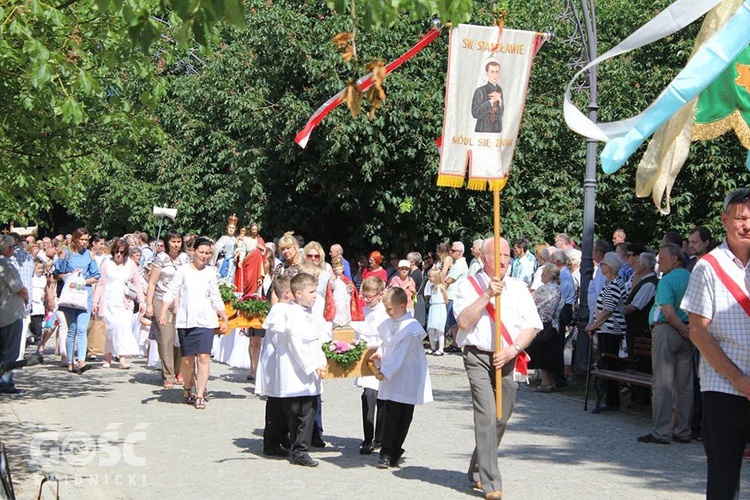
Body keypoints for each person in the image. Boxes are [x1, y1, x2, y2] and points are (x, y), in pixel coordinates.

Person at [453, 237, 542, 499]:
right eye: (497, 256)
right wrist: (487, 295)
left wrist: (513, 349)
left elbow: (532, 326)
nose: (504, 261)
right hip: (477, 356)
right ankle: (492, 482)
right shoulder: (468, 286)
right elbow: (464, 321)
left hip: (508, 356)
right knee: (487, 414)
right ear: (483, 258)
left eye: (507, 255)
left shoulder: (518, 287)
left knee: (502, 416)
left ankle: (478, 467)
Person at [681, 187, 750, 499]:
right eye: (740, 218)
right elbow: (698, 332)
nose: (746, 225)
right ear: (725, 220)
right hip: (724, 387)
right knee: (723, 479)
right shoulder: (708, 266)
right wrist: (741, 380)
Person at [159, 237, 228, 410]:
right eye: (201, 252)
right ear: (193, 252)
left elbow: (215, 295)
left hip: (206, 320)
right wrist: (162, 311)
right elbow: (172, 290)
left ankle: (200, 393)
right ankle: (187, 387)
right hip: (186, 319)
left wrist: (223, 316)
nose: (204, 256)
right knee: (188, 360)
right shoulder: (183, 271)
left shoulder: (211, 272)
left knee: (204, 357)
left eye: (208, 253)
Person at [370, 287, 433, 469]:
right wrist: (380, 354)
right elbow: (387, 344)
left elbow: (401, 353)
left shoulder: (411, 327)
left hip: (407, 376)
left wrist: (385, 371)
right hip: (392, 376)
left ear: (402, 306)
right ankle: (386, 450)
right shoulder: (389, 322)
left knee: (405, 415)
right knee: (390, 412)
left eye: (390, 309)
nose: (387, 312)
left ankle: (396, 449)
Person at [638, 243, 692, 445]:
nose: (658, 262)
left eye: (662, 258)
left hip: (667, 330)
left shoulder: (667, 280)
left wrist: (680, 328)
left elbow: (668, 312)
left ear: (675, 259)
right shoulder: (690, 277)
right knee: (684, 385)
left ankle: (660, 432)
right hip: (688, 333)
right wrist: (688, 331)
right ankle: (682, 430)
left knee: (662, 383)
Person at [281, 273, 327, 467]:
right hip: (297, 371)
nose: (315, 295)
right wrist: (311, 365)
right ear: (298, 294)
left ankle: (301, 449)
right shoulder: (292, 314)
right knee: (294, 410)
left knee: (308, 410)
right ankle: (294, 444)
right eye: (311, 292)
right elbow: (296, 344)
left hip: (311, 372)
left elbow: (316, 340)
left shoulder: (311, 313)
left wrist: (322, 361)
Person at [146, 229, 190, 389]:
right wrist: (149, 304)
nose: (176, 244)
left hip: (181, 300)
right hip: (161, 299)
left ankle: (178, 370)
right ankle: (168, 374)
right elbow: (152, 283)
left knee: (180, 336)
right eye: (173, 241)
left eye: (178, 241)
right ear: (166, 242)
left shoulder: (185, 259)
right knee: (166, 336)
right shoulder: (161, 259)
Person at [255, 276, 293, 457]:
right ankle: (271, 442)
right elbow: (280, 335)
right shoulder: (279, 310)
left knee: (284, 403)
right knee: (276, 405)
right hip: (276, 364)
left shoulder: (286, 309)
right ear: (287, 293)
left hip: (280, 363)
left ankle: (281, 435)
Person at [93, 239, 145, 370]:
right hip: (108, 302)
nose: (118, 254)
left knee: (123, 328)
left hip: (125, 303)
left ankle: (122, 358)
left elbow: (137, 283)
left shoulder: (131, 265)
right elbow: (100, 284)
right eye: (116, 251)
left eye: (121, 252)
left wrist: (142, 301)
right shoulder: (106, 263)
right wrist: (95, 302)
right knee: (110, 330)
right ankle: (108, 358)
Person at [351, 276, 389, 455]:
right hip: (366, 359)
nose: (366, 300)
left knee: (383, 399)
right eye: (364, 296)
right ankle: (367, 437)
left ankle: (380, 437)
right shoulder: (363, 311)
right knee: (368, 395)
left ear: (380, 295)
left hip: (382, 358)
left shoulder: (385, 312)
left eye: (370, 297)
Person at [54, 228, 99, 374]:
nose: (84, 242)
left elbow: (96, 276)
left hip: (84, 295)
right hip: (71, 294)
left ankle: (81, 361)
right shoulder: (67, 253)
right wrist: (71, 276)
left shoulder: (90, 255)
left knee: (81, 328)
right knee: (72, 329)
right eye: (82, 239)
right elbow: (57, 274)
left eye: (86, 240)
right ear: (75, 239)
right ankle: (69, 361)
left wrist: (83, 280)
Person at [585, 252, 627, 411]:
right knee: (606, 364)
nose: (601, 266)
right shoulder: (610, 283)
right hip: (606, 329)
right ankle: (610, 399)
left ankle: (611, 400)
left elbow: (607, 310)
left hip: (611, 329)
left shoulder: (615, 284)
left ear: (609, 267)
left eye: (603, 264)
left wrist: (593, 325)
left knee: (608, 363)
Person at [526, 263, 563, 393]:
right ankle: (551, 382)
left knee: (542, 354)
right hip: (554, 325)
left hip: (543, 324)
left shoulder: (545, 289)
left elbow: (532, 303)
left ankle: (545, 383)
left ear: (550, 275)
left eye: (544, 274)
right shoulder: (558, 288)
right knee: (550, 354)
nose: (541, 276)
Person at [0, 235, 29, 395]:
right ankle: (6, 385)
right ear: (9, 249)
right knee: (10, 351)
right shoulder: (6, 265)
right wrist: (26, 297)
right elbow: (19, 288)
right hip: (10, 313)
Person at [471, 60, 504, 133]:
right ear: (487, 74)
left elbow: (501, 113)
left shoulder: (499, 89)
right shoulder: (480, 90)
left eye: (497, 72)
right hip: (483, 127)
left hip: (497, 128)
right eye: (492, 72)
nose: (495, 75)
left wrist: (500, 101)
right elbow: (475, 113)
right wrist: (491, 102)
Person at [234, 221, 266, 297]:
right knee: (248, 279)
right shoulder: (246, 239)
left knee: (256, 281)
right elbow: (243, 250)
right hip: (248, 261)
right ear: (250, 230)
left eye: (256, 229)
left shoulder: (260, 240)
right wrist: (241, 260)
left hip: (257, 263)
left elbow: (265, 252)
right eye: (253, 229)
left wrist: (263, 249)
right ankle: (247, 296)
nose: (254, 231)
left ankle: (255, 297)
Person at [426, 268, 448, 356]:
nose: (429, 278)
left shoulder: (441, 287)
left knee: (440, 329)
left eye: (430, 276)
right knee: (430, 329)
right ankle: (433, 347)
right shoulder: (431, 288)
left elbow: (446, 299)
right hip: (433, 307)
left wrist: (442, 307)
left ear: (436, 277)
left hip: (439, 308)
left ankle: (441, 349)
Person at [212, 214, 238, 283]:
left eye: (233, 228)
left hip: (232, 262)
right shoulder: (223, 238)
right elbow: (216, 248)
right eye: (230, 227)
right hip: (222, 261)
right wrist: (221, 250)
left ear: (235, 229)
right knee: (220, 278)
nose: (231, 229)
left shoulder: (237, 240)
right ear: (227, 228)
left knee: (230, 278)